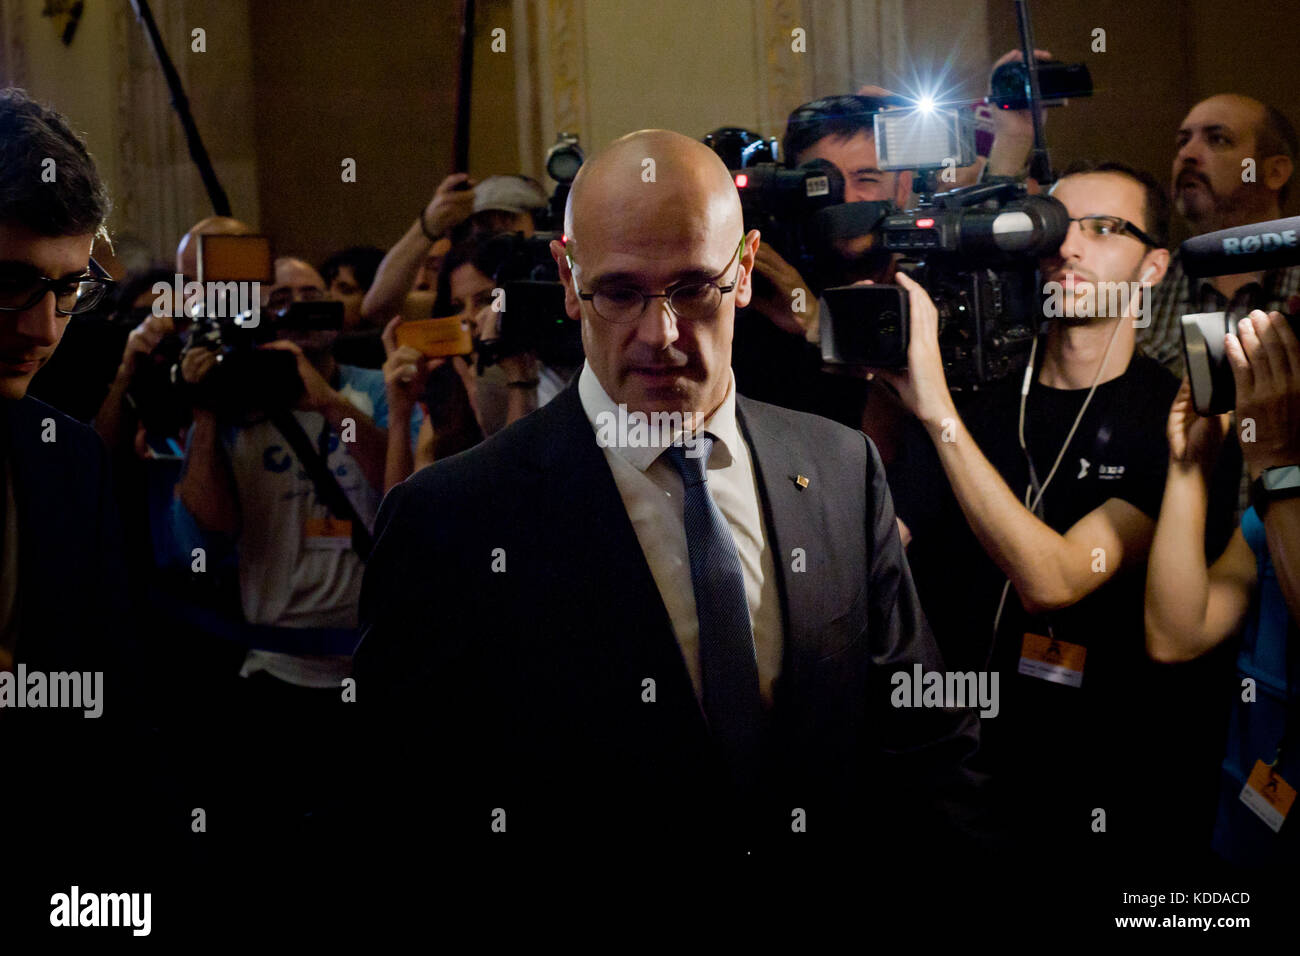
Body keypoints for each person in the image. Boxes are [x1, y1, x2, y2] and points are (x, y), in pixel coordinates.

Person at [354, 129, 983, 872]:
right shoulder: (451, 518)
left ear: (745, 269)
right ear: (568, 276)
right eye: (620, 292)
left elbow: (926, 740)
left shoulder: (840, 468)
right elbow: (395, 807)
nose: (662, 334)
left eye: (693, 287)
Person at [885, 160, 1192, 865]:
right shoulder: (979, 385)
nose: (1068, 247)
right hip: (946, 751)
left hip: (1086, 769)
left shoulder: (1170, 415)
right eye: (1054, 225)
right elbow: (896, 536)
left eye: (1104, 229)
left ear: (1152, 269)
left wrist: (936, 413)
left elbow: (1054, 579)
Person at [1146, 308, 1300, 868]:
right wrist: (1191, 465)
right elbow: (1177, 632)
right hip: (1243, 826)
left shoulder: (1282, 485)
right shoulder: (1276, 507)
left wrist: (1277, 462)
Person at [1140, 95, 1299, 377]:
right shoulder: (1146, 285)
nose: (1187, 154)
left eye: (1218, 140)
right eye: (1182, 141)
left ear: (1274, 172)